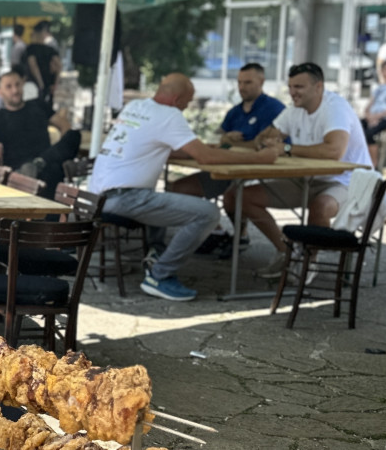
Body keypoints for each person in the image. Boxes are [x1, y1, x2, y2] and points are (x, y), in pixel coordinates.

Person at [90, 73, 278, 301]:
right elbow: (206, 158)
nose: (187, 108)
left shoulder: (136, 106)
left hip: (97, 196)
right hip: (125, 199)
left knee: (167, 195)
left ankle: (156, 254)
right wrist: (262, 159)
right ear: (177, 99)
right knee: (208, 213)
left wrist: (201, 147)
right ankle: (160, 275)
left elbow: (170, 146)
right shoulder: (169, 115)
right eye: (187, 103)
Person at [227, 61, 371, 278]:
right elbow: (265, 138)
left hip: (346, 181)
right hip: (306, 179)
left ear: (318, 87)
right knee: (238, 196)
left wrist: (285, 147)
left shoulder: (335, 107)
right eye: (291, 87)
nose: (292, 93)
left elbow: (334, 152)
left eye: (299, 87)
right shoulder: (294, 110)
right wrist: (265, 140)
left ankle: (308, 263)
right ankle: (286, 252)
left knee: (320, 206)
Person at [170, 62, 284, 200]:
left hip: (256, 172)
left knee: (229, 198)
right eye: (239, 82)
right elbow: (217, 140)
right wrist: (225, 140)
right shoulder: (234, 112)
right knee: (175, 188)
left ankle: (210, 219)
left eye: (248, 83)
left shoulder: (275, 109)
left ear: (261, 82)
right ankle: (211, 220)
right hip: (226, 169)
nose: (242, 87)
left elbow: (264, 147)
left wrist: (229, 143)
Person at [0, 69, 79, 195]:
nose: (15, 90)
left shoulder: (38, 105)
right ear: (0, 92)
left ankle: (39, 162)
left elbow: (65, 126)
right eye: (9, 87)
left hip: (48, 166)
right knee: (42, 171)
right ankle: (38, 164)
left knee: (75, 135)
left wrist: (60, 148)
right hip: (18, 173)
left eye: (17, 84)